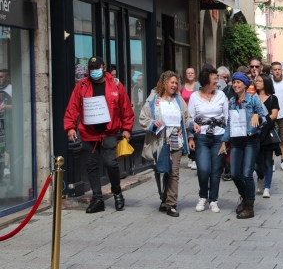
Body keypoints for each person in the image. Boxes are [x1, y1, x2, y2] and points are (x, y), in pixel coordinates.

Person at [64, 56, 134, 213]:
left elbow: (126, 108)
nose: (94, 71)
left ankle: (117, 193)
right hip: (89, 133)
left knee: (111, 163)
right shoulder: (81, 86)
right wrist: (70, 127)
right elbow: (73, 107)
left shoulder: (115, 85)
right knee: (92, 166)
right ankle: (97, 199)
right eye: (92, 68)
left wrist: (127, 128)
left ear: (103, 67)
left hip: (109, 132)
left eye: (97, 67)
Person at [139, 71, 197, 217]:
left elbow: (187, 117)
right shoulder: (153, 99)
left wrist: (192, 125)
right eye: (171, 82)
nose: (174, 85)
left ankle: (171, 204)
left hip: (176, 140)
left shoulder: (179, 100)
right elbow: (143, 118)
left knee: (173, 173)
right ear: (164, 83)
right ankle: (163, 198)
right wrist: (153, 123)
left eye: (176, 83)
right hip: (159, 142)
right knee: (160, 171)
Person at [219, 72, 267, 219]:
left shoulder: (253, 99)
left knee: (247, 174)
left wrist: (257, 116)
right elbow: (229, 123)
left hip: (251, 140)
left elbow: (265, 117)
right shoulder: (232, 101)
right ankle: (245, 197)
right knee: (234, 174)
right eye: (234, 82)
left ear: (245, 85)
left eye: (239, 82)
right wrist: (224, 141)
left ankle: (249, 207)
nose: (236, 85)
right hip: (237, 141)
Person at [187, 67, 229, 213]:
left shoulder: (221, 95)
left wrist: (226, 139)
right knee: (204, 169)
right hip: (202, 137)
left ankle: (213, 200)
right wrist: (190, 137)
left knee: (216, 170)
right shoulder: (194, 97)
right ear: (206, 80)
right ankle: (203, 196)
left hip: (219, 136)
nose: (217, 81)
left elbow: (227, 117)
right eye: (214, 78)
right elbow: (190, 118)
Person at [254, 74, 280, 198]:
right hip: (254, 133)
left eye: (260, 80)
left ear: (266, 82)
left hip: (268, 132)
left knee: (268, 162)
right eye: (256, 81)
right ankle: (261, 176)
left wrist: (261, 120)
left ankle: (267, 187)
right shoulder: (252, 97)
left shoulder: (272, 98)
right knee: (256, 163)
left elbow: (274, 115)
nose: (257, 82)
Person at [181, 67, 201, 170]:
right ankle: (190, 156)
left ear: (195, 74)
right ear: (185, 75)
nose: (190, 74)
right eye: (188, 73)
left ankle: (194, 158)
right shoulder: (182, 87)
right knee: (188, 135)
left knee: (194, 134)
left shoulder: (198, 86)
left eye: (192, 73)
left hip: (195, 114)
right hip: (185, 114)